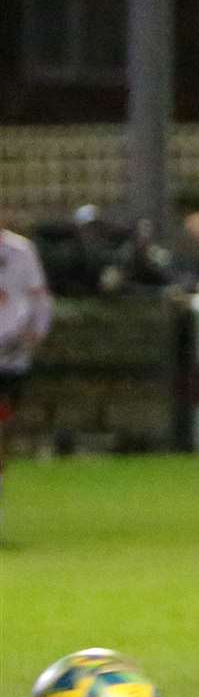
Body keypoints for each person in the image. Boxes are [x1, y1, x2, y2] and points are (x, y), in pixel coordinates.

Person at [0, 220, 54, 527]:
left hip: (10, 358)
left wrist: (36, 333)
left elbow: (39, 297)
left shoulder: (20, 251)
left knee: (3, 429)